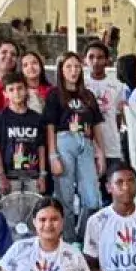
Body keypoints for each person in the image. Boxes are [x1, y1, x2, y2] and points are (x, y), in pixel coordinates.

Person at [45, 53, 106, 241]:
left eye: (77, 67)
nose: (73, 71)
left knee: (92, 196)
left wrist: (101, 152)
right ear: (61, 70)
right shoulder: (55, 94)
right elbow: (50, 125)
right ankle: (69, 240)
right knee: (65, 196)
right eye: (68, 67)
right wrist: (53, 155)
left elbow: (96, 125)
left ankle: (86, 237)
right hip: (64, 141)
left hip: (86, 143)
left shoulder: (88, 96)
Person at [0, 78, 51, 199]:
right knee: (11, 214)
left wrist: (42, 175)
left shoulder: (36, 118)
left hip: (33, 175)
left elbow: (41, 147)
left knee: (34, 212)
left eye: (20, 88)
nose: (16, 93)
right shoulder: (0, 117)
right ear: (5, 93)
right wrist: (0, 175)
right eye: (11, 89)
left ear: (26, 90)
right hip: (10, 176)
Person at [83, 42, 128, 174]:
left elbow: (118, 119)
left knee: (110, 190)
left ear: (107, 60)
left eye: (100, 57)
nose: (95, 61)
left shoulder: (118, 86)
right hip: (86, 149)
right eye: (91, 57)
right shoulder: (81, 85)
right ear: (84, 60)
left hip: (111, 148)